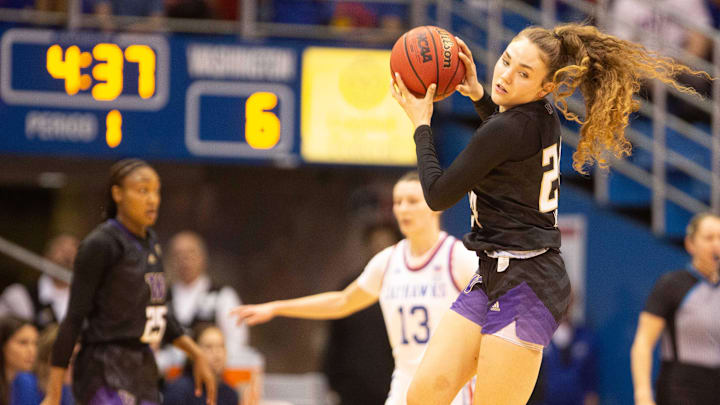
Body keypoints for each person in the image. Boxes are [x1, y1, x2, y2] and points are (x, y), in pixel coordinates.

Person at [390, 22, 708, 405]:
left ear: (545, 88)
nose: (505, 75)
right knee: (423, 395)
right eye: (506, 60)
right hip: (492, 272)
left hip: (529, 283)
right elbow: (501, 135)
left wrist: (421, 123)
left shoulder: (508, 127)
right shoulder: (539, 115)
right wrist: (478, 94)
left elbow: (438, 195)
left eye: (523, 73)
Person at [232, 171, 479, 405]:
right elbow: (342, 302)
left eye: (412, 201)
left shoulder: (457, 257)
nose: (403, 209)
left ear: (434, 207)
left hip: (451, 384)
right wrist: (277, 307)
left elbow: (494, 314)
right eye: (398, 202)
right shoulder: (387, 261)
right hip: (404, 382)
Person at [40, 158, 216, 405]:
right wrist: (54, 392)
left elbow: (161, 313)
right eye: (143, 190)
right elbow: (74, 318)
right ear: (118, 193)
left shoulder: (151, 241)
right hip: (103, 366)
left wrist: (196, 353)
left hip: (142, 365)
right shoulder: (101, 244)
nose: (152, 199)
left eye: (156, 191)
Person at [630, 213, 720, 405]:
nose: (716, 245)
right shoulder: (672, 284)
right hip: (681, 388)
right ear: (690, 244)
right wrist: (643, 395)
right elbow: (643, 343)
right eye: (709, 238)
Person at [322, 222, 400, 405]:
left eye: (385, 245)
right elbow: (334, 341)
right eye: (375, 244)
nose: (379, 250)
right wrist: (334, 382)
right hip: (354, 390)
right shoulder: (350, 288)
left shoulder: (411, 288)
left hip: (397, 387)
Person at [156, 231, 248, 378]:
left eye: (191, 253)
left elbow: (236, 340)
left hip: (212, 376)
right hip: (169, 378)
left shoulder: (222, 296)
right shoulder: (161, 299)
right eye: (178, 254)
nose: (185, 260)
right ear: (170, 260)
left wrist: (215, 361)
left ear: (203, 257)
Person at [0, 234, 79, 330]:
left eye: (73, 252)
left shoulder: (86, 301)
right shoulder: (20, 295)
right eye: (62, 251)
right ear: (47, 256)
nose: (68, 258)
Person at [164, 323, 239, 405]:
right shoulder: (179, 390)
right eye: (208, 347)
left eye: (221, 346)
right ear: (193, 353)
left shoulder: (230, 394)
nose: (217, 354)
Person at [11, 324, 74, 405]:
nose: (69, 366)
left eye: (74, 359)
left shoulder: (68, 389)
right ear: (47, 357)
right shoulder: (25, 382)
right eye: (64, 358)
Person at [1, 317, 38, 405]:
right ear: (3, 345)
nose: (32, 351)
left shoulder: (28, 382)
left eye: (35, 343)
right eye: (23, 343)